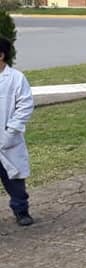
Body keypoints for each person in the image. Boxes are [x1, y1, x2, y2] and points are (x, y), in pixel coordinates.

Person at [0, 37, 34, 226]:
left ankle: (21, 210)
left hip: (8, 138)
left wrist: (11, 130)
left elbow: (25, 105)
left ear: (1, 55)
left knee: (14, 179)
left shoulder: (16, 78)